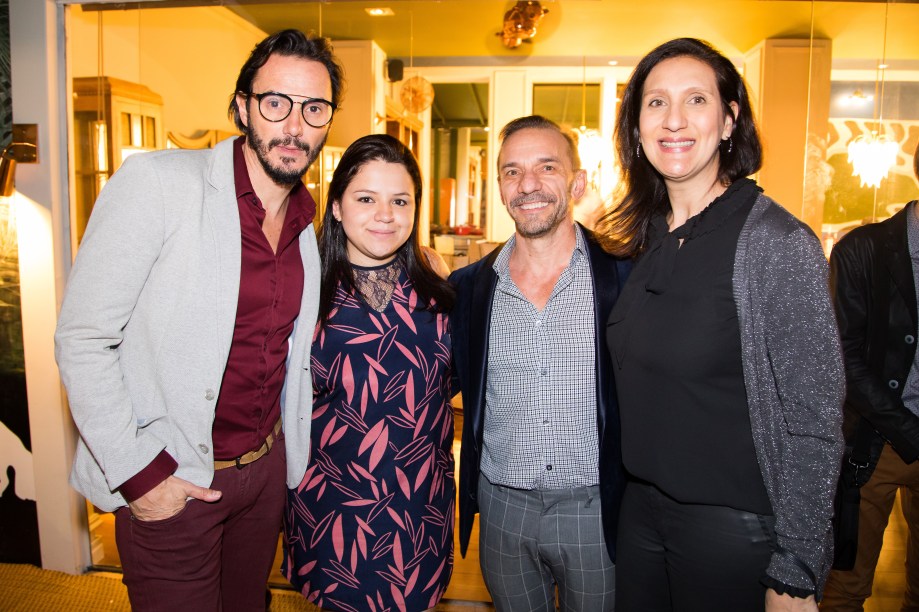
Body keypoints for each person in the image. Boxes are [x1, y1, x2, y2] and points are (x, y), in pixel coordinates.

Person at [54, 29, 343, 610]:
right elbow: (82, 339)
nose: (294, 125)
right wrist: (141, 476)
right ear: (242, 107)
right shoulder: (159, 185)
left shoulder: (306, 225)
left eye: (314, 108)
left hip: (262, 480)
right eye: (275, 103)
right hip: (174, 477)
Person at [600, 38, 844, 611]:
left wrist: (796, 569)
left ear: (730, 120)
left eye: (696, 100)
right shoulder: (646, 238)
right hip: (640, 517)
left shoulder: (777, 244)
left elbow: (816, 421)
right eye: (656, 103)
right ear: (636, 129)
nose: (675, 120)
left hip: (734, 532)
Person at [451, 115, 631, 612]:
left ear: (577, 182)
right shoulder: (469, 288)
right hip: (503, 508)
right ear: (500, 188)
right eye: (512, 171)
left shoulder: (624, 276)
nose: (527, 184)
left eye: (546, 166)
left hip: (595, 509)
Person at [282, 134, 456, 612]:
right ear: (335, 206)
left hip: (420, 508)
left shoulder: (440, 289)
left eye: (400, 200)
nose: (386, 214)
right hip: (332, 509)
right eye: (366, 198)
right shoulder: (301, 288)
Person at [821, 143, 919, 610]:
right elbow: (843, 358)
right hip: (872, 442)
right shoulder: (864, 249)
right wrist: (907, 428)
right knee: (846, 587)